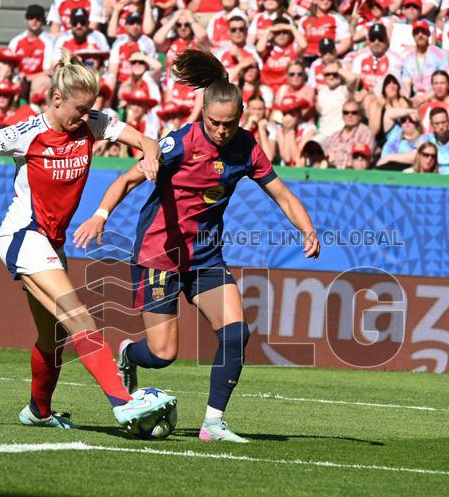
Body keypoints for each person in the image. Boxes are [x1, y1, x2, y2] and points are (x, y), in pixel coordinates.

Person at [0, 51, 175, 433]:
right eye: (79, 108)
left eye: (90, 109)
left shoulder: (93, 123)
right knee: (78, 316)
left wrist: (151, 157)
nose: (85, 116)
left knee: (52, 337)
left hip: (51, 244)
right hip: (23, 236)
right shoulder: (25, 133)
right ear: (56, 99)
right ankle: (122, 402)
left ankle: (38, 410)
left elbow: (146, 140)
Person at [73, 49, 320, 443]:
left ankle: (213, 424)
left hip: (205, 257)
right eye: (214, 123)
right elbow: (124, 181)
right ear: (202, 113)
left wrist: (307, 229)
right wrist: (100, 216)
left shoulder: (246, 147)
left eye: (229, 124)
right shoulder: (180, 144)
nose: (221, 131)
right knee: (163, 354)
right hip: (159, 256)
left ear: (241, 118)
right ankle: (128, 355)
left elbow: (283, 196)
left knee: (237, 334)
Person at [324, 99, 375, 170]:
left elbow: (362, 160)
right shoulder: (334, 136)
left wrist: (336, 155)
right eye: (346, 112)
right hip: (332, 175)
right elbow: (327, 158)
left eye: (354, 113)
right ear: (342, 116)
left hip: (353, 175)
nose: (350, 115)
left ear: (360, 115)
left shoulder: (366, 133)